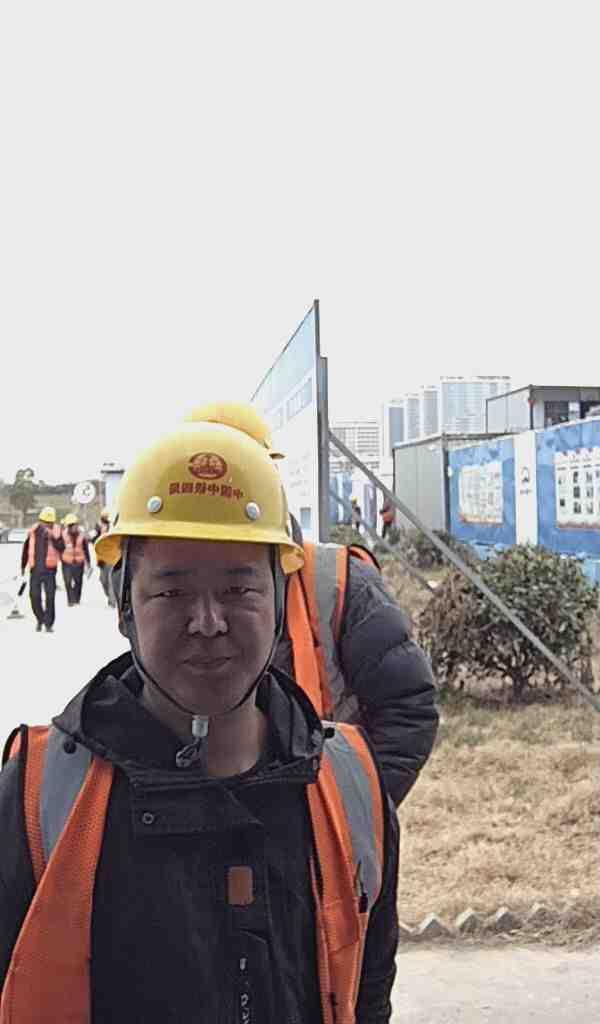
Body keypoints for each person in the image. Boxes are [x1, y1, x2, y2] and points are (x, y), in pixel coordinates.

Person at [0, 418, 399, 1023]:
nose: (208, 622)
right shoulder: (38, 799)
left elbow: (368, 994)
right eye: (172, 592)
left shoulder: (349, 786)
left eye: (239, 590)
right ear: (126, 606)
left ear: (277, 598)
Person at [190, 402, 439, 806]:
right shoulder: (161, 598)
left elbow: (407, 709)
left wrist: (352, 811)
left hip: (316, 822)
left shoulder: (338, 581)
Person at [20, 506, 65, 632]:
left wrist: (53, 538)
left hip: (50, 570)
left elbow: (61, 547)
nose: (47, 525)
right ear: (40, 521)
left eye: (49, 523)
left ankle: (48, 624)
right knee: (34, 596)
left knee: (50, 597)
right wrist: (23, 566)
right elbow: (25, 549)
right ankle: (40, 619)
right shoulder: (33, 531)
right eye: (45, 522)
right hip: (35, 569)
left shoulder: (57, 531)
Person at [61, 513, 92, 606]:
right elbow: (59, 547)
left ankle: (76, 599)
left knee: (78, 582)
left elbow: (86, 549)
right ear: (69, 526)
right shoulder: (63, 535)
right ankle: (70, 600)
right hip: (66, 562)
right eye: (72, 525)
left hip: (79, 562)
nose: (75, 527)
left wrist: (88, 563)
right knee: (67, 582)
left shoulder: (82, 536)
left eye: (75, 525)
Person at [91, 507, 116, 606]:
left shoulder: (114, 528)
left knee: (111, 580)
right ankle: (109, 596)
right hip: (102, 559)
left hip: (112, 557)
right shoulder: (98, 528)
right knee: (103, 580)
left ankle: (112, 601)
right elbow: (94, 541)